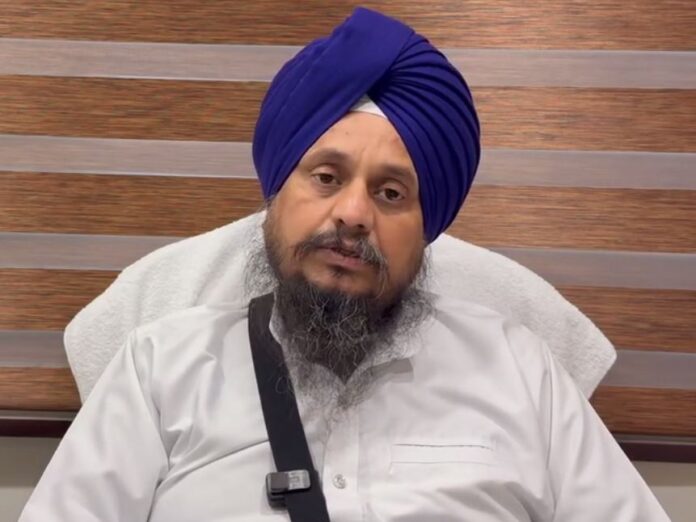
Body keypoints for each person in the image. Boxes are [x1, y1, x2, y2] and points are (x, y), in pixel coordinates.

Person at [20, 7, 669, 521]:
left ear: (427, 231)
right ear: (275, 197)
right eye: (326, 177)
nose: (354, 214)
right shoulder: (161, 369)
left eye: (391, 193)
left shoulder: (519, 371)